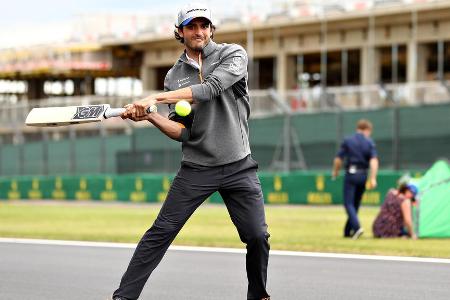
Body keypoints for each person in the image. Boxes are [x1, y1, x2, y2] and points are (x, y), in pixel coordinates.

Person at [111, 3, 270, 300]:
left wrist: (154, 97)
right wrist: (150, 116)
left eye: (204, 25)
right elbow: (182, 132)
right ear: (180, 31)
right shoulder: (174, 76)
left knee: (257, 236)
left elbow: (210, 89)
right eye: (191, 26)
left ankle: (258, 294)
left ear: (211, 29)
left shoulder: (232, 55)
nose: (199, 31)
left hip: (239, 165)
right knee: (159, 233)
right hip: (197, 168)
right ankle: (124, 296)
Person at [332, 119, 379, 239]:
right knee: (355, 204)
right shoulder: (369, 142)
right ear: (367, 130)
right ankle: (348, 231)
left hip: (351, 174)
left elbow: (338, 159)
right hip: (363, 175)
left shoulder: (348, 140)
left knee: (348, 203)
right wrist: (373, 178)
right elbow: (374, 161)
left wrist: (336, 172)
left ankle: (357, 227)